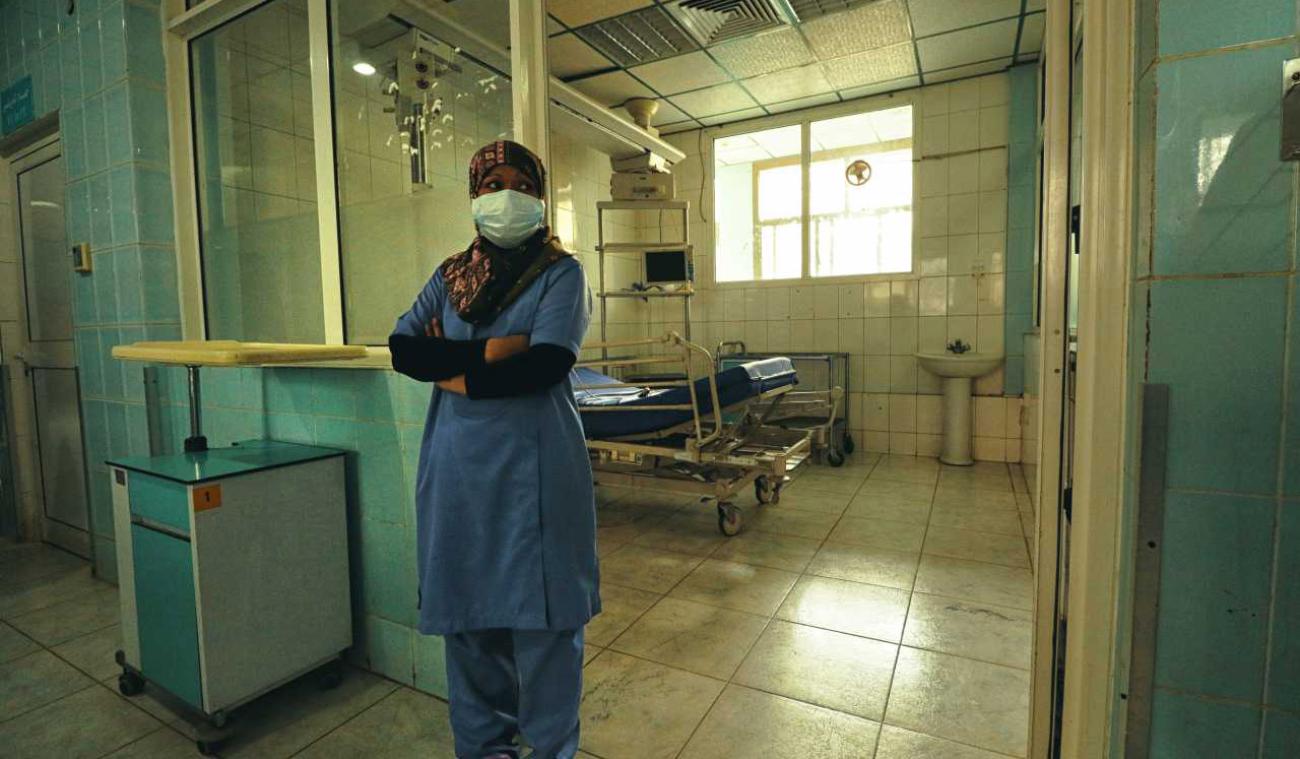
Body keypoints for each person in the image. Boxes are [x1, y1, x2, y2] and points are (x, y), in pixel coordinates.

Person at [388, 140, 599, 759]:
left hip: (536, 470)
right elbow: (404, 350)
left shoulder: (563, 274)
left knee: (547, 631)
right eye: (489, 184)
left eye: (518, 183)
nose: (503, 194)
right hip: (456, 472)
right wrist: (491, 352)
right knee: (469, 623)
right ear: (474, 197)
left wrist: (451, 367)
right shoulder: (451, 275)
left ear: (538, 194)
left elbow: (545, 366)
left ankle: (552, 750)